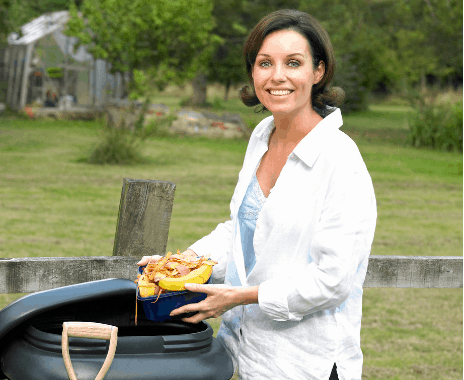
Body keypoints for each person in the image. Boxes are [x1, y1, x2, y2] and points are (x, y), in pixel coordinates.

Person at [137, 9, 377, 380]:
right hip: (244, 350)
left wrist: (239, 296)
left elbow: (332, 282)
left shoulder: (340, 159)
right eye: (265, 63)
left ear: (318, 72)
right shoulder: (263, 135)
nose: (277, 76)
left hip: (304, 363)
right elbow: (242, 228)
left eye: (293, 63)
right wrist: (180, 264)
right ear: (253, 72)